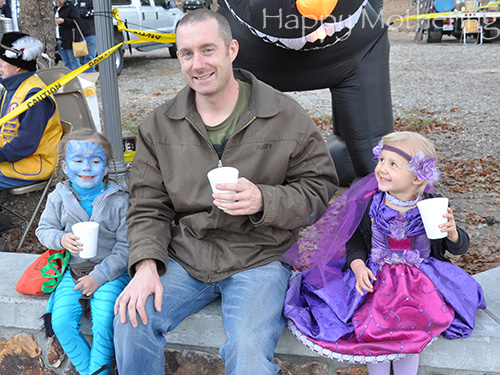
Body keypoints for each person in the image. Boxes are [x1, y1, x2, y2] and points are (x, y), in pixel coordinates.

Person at [113, 9, 338, 375]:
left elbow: (319, 189)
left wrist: (265, 200)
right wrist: (146, 265)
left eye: (207, 50)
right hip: (188, 255)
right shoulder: (159, 124)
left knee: (248, 351)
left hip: (260, 256)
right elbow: (147, 204)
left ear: (232, 49)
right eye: (186, 54)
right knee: (130, 320)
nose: (197, 64)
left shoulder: (283, 114)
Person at [283, 131, 486, 375]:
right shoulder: (370, 204)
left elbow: (454, 248)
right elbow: (355, 241)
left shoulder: (433, 205)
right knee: (374, 328)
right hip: (375, 278)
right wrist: (358, 266)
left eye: (393, 164)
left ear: (418, 178)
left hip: (418, 284)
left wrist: (452, 234)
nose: (382, 168)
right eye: (381, 160)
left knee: (412, 330)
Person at [36, 129, 131, 375]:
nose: (86, 168)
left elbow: (126, 246)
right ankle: (90, 371)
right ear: (66, 167)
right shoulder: (59, 197)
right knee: (61, 320)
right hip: (73, 271)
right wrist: (60, 238)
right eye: (78, 161)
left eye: (95, 161)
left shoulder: (120, 200)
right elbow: (43, 230)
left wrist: (99, 277)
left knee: (104, 319)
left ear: (107, 167)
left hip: (110, 272)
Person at [0, 32, 62, 229]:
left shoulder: (34, 95)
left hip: (34, 162)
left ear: (18, 66)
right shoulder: (13, 88)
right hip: (14, 157)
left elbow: (26, 144)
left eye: (2, 61)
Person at [54, 0, 81, 71]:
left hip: (70, 38)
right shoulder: (55, 9)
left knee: (74, 61)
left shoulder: (71, 7)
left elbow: (77, 22)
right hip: (59, 38)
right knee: (66, 62)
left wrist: (63, 21)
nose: (54, 2)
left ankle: (78, 79)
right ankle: (70, 79)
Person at [77, 0, 96, 72]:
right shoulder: (75, 1)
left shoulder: (92, 1)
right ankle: (83, 79)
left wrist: (80, 13)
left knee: (90, 58)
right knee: (80, 59)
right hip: (78, 34)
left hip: (90, 33)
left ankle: (90, 79)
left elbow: (94, 12)